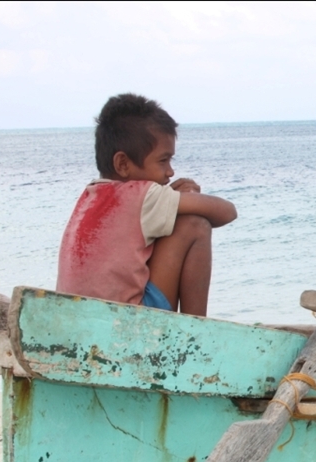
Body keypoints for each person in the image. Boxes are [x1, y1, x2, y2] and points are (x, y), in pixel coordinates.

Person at [56, 93, 237, 316]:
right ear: (123, 164)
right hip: (128, 320)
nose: (170, 172)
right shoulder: (142, 195)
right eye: (163, 160)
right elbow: (227, 211)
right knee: (194, 224)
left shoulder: (90, 195)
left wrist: (170, 200)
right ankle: (196, 328)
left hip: (78, 316)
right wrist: (189, 198)